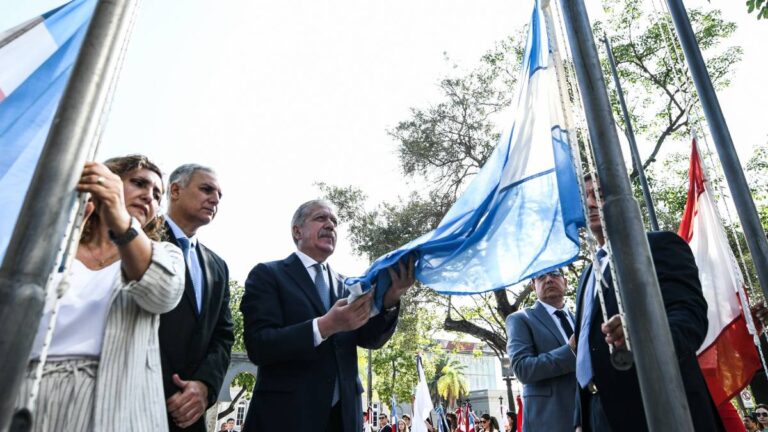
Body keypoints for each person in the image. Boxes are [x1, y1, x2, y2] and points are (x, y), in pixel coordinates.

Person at [16, 155, 185, 431]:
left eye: (158, 194)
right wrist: (65, 231)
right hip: (25, 393)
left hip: (110, 403)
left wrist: (120, 219)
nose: (149, 196)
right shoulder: (54, 243)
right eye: (139, 183)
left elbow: (162, 293)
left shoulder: (164, 254)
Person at [240, 200, 415, 431]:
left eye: (334, 222)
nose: (330, 225)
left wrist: (392, 298)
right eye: (321, 218)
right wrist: (324, 326)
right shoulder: (268, 275)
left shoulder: (348, 285)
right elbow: (259, 345)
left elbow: (370, 339)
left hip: (343, 419)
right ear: (297, 230)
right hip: (287, 417)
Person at [573, 175, 724, 431]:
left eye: (598, 193)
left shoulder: (658, 245)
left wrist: (642, 334)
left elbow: (689, 316)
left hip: (655, 409)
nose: (590, 203)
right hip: (599, 413)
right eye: (583, 197)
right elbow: (587, 355)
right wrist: (582, 418)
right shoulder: (587, 276)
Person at [159, 164, 234, 431]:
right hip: (139, 402)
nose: (215, 199)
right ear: (175, 190)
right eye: (206, 189)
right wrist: (172, 390)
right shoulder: (140, 240)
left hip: (192, 415)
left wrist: (204, 387)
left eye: (219, 195)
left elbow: (223, 335)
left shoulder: (218, 266)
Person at [506, 268, 576, 431]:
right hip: (549, 421)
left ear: (565, 282)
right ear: (533, 285)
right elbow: (522, 368)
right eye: (541, 276)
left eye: (554, 274)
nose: (549, 279)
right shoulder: (520, 319)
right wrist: (570, 351)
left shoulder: (581, 318)